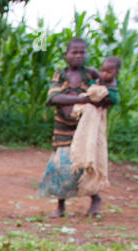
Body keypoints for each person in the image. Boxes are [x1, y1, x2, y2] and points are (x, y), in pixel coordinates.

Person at [39, 38, 111, 217]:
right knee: (62, 165)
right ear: (66, 55)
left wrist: (101, 86)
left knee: (85, 163)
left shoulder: (91, 75)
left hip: (85, 130)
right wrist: (83, 99)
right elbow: (54, 98)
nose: (78, 56)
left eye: (82, 52)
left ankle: (95, 198)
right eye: (74, 52)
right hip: (63, 129)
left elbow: (106, 96)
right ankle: (60, 205)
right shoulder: (60, 75)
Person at [70, 57, 121, 196]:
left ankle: (92, 178)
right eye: (103, 71)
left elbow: (111, 99)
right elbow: (90, 91)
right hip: (87, 119)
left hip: (97, 121)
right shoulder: (97, 82)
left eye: (109, 72)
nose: (104, 74)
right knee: (83, 142)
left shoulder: (113, 88)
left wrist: (100, 97)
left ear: (116, 72)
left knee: (95, 146)